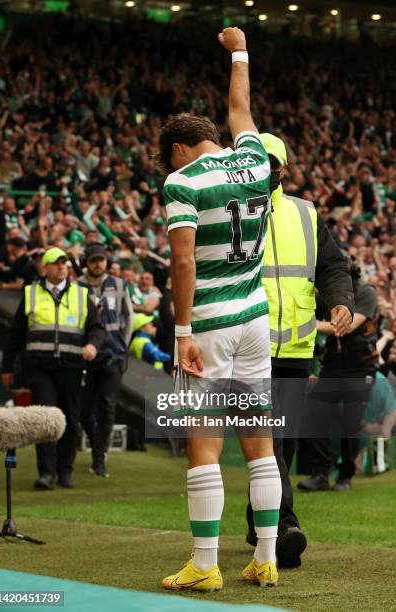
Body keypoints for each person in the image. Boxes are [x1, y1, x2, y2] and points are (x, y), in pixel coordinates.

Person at [160, 27, 282, 592]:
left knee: (202, 440)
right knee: (260, 443)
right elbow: (242, 108)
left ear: (179, 148)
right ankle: (265, 558)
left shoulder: (182, 181)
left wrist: (181, 330)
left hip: (209, 321)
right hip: (256, 317)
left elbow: (182, 264)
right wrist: (239, 51)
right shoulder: (257, 159)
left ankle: (205, 565)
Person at [245, 134, 354, 569]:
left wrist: (340, 300)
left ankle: (259, 520)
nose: (262, 167)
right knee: (269, 445)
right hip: (249, 348)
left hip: (294, 350)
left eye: (269, 161)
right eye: (253, 160)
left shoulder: (306, 214)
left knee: (280, 447)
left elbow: (331, 266)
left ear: (282, 168)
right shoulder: (235, 210)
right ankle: (283, 526)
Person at [1, 247, 104, 490]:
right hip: (40, 368)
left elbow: (97, 328)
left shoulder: (81, 294)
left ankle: (65, 471)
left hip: (71, 367)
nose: (61, 267)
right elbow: (16, 334)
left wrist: (92, 344)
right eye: (56, 263)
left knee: (70, 418)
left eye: (64, 263)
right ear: (44, 267)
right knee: (46, 419)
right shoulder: (31, 293)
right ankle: (46, 473)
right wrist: (7, 367)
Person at [298, 257, 377, 492]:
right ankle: (321, 473)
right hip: (333, 364)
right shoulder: (326, 295)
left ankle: (345, 477)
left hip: (360, 366)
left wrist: (303, 323)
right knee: (315, 415)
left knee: (351, 423)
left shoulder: (366, 293)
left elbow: (348, 325)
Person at [79, 244, 133, 477]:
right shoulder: (77, 287)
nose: (98, 264)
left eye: (101, 260)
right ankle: (96, 444)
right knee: (83, 411)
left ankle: (99, 458)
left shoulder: (118, 284)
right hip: (87, 356)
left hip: (114, 354)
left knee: (107, 407)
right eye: (93, 260)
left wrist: (124, 343)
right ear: (86, 262)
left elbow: (129, 315)